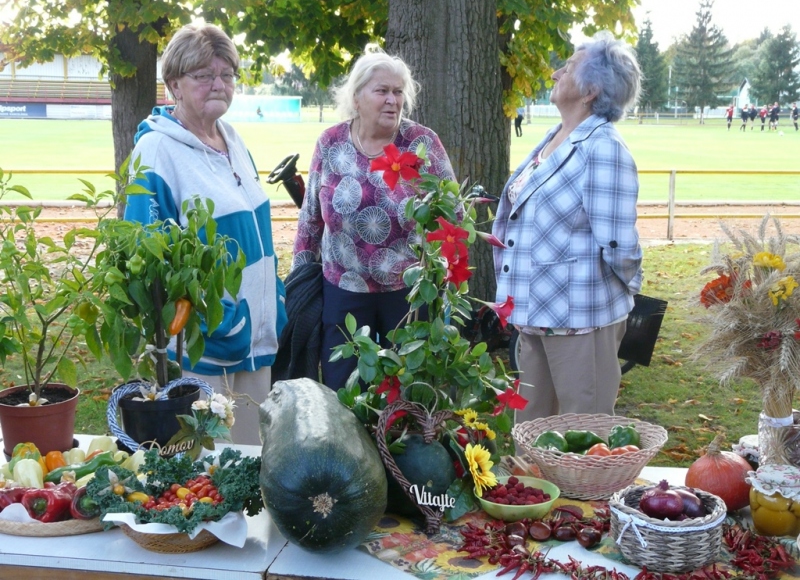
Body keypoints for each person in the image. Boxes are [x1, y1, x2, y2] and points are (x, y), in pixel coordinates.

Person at [124, 23, 287, 445]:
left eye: (227, 75)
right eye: (203, 76)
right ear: (174, 84)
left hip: (255, 339)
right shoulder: (157, 151)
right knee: (209, 475)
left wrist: (274, 299)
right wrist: (221, 320)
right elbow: (149, 260)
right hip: (206, 350)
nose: (218, 84)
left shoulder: (232, 139)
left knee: (252, 465)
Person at [492, 31, 643, 423]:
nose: (557, 72)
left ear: (591, 89)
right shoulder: (556, 138)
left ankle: (583, 490)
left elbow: (620, 246)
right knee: (531, 434)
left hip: (581, 321)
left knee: (583, 435)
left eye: (570, 66)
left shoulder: (603, 147)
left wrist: (619, 299)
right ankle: (533, 488)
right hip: (536, 316)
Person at [292, 48, 455, 391]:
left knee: (409, 389)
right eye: (381, 91)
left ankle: (400, 444)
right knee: (344, 387)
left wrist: (444, 277)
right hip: (344, 288)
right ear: (356, 97)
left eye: (398, 92)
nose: (392, 100)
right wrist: (298, 283)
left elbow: (452, 212)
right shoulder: (331, 143)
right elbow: (309, 220)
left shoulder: (422, 143)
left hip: (408, 293)